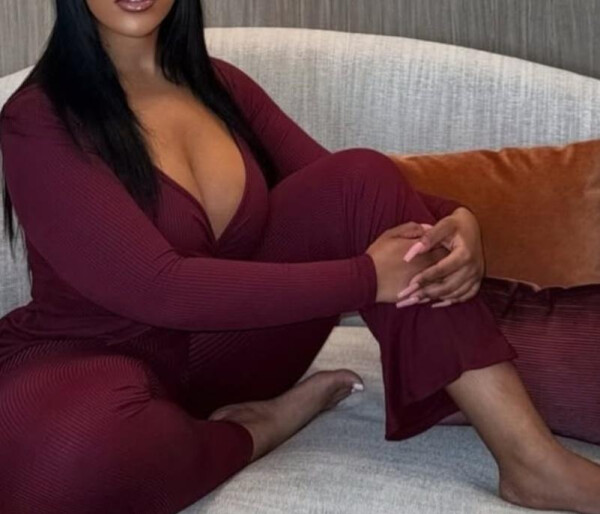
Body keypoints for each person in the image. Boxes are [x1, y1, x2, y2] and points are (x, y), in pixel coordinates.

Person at [0, 1, 598, 513]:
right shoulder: (37, 119)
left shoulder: (221, 87)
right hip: (92, 363)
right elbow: (159, 287)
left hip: (232, 352)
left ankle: (533, 463)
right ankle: (258, 428)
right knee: (60, 464)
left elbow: (353, 192)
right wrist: (366, 279)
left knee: (360, 174)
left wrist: (458, 218)